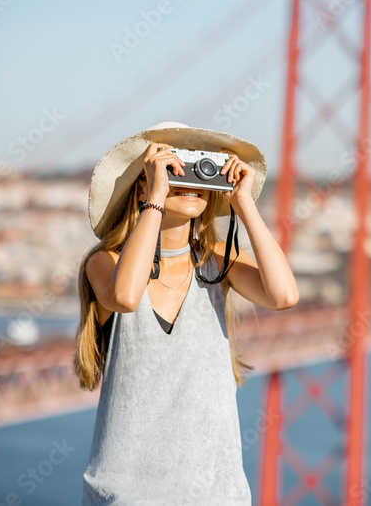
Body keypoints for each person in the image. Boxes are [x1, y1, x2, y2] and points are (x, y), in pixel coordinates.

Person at [73, 121, 299, 505]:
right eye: (174, 168)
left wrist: (243, 202)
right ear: (142, 184)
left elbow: (284, 295)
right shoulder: (105, 262)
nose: (189, 178)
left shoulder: (217, 263)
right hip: (128, 495)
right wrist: (156, 199)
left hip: (217, 493)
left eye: (198, 170)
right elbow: (127, 296)